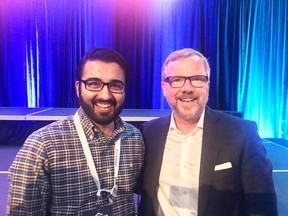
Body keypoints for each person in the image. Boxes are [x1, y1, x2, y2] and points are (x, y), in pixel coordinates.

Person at [138, 48, 277, 216]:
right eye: (177, 80)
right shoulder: (149, 132)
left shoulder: (243, 134)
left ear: (208, 86)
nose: (187, 88)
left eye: (197, 79)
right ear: (164, 88)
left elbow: (261, 206)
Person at [7, 48, 145, 215]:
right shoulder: (41, 145)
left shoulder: (135, 139)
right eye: (94, 83)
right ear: (78, 87)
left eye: (115, 85)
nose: (105, 95)